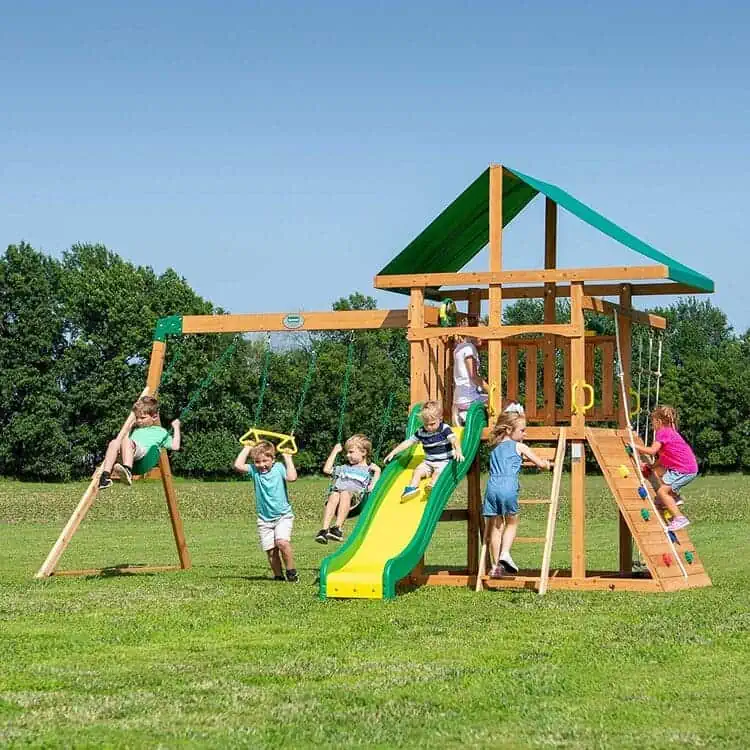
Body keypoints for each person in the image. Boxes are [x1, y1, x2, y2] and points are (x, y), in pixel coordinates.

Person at [483, 411, 551, 578]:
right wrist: (547, 464)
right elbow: (540, 464)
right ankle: (505, 553)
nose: (525, 433)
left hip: (491, 487)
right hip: (508, 486)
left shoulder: (495, 448)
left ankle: (495, 566)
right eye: (522, 430)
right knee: (512, 522)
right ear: (508, 430)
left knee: (496, 526)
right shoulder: (520, 446)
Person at [233, 440, 299, 582]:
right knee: (271, 551)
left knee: (282, 542)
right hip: (264, 518)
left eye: (265, 461)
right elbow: (238, 465)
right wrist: (247, 448)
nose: (262, 465)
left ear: (273, 459)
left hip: (283, 515)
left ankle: (291, 571)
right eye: (257, 461)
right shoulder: (254, 470)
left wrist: (288, 458)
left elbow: (292, 477)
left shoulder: (279, 467)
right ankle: (278, 576)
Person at [633, 405, 697, 532]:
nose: (652, 425)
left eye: (653, 422)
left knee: (662, 492)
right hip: (686, 468)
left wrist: (634, 446)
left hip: (684, 470)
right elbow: (662, 459)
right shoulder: (671, 433)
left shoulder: (662, 433)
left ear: (659, 421)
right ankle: (674, 498)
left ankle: (679, 518)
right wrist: (651, 466)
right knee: (663, 476)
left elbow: (652, 451)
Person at [384, 400, 464, 500]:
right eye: (426, 424)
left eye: (432, 424)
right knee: (417, 471)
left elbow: (454, 439)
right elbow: (409, 442)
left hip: (443, 461)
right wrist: (393, 452)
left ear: (440, 419)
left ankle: (432, 486)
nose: (429, 427)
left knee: (437, 474)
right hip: (428, 462)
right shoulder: (421, 431)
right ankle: (412, 488)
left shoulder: (444, 428)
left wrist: (458, 450)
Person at [98, 395, 181, 489]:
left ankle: (128, 471)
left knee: (126, 441)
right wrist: (129, 426)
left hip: (143, 456)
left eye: (142, 418)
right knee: (114, 442)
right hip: (128, 455)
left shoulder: (160, 432)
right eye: (137, 418)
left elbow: (175, 446)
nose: (139, 421)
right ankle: (105, 477)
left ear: (154, 417)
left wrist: (176, 427)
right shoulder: (136, 430)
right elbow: (124, 444)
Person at [315, 434, 381, 544]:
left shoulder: (368, 470)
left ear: (363, 452)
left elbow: (371, 488)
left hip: (355, 500)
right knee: (334, 494)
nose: (347, 455)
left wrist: (377, 472)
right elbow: (327, 470)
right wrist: (335, 451)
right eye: (346, 452)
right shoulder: (343, 468)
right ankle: (324, 530)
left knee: (345, 493)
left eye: (351, 452)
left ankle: (337, 528)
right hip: (337, 499)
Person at [452, 323, 490, 426]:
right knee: (501, 402)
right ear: (472, 333)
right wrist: (489, 389)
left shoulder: (459, 348)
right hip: (469, 398)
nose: (485, 337)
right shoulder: (469, 349)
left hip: (459, 398)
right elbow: (473, 376)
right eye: (483, 334)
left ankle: (462, 416)